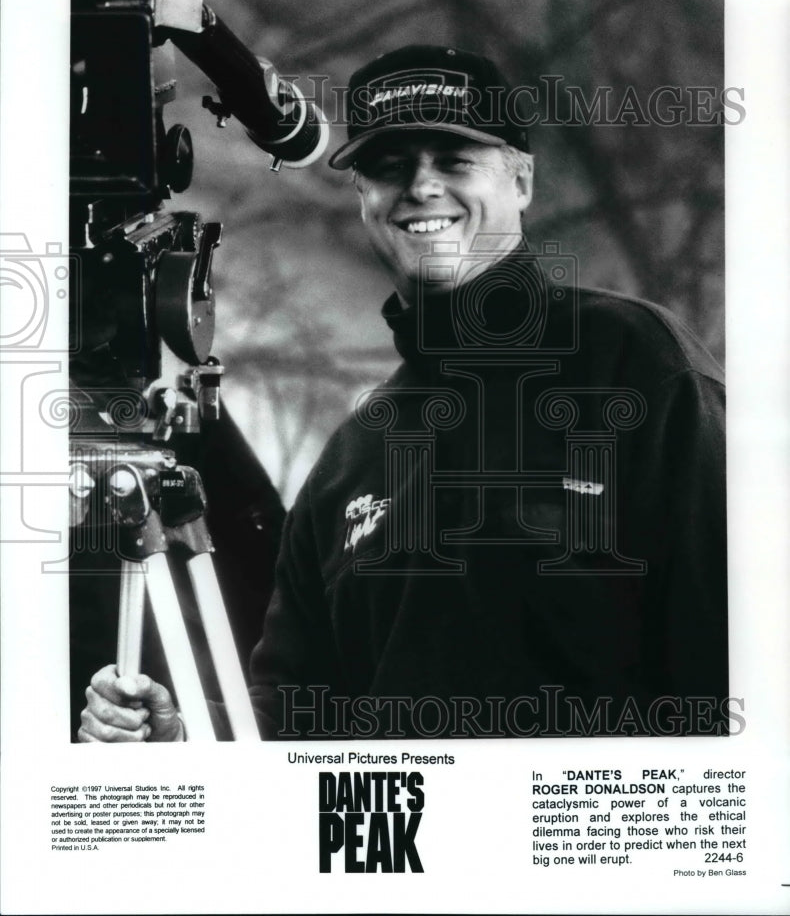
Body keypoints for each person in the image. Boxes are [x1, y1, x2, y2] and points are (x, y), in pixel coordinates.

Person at [79, 44, 728, 742]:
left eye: (453, 160)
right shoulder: (349, 462)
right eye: (389, 167)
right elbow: (297, 719)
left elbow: (732, 661)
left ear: (522, 181)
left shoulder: (638, 365)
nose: (420, 187)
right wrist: (182, 737)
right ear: (362, 197)